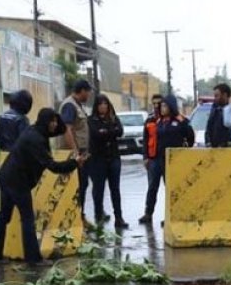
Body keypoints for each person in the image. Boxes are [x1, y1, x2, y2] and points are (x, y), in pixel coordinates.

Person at [0, 108, 85, 264]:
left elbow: (60, 129)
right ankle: (33, 259)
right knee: (27, 218)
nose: (55, 124)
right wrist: (74, 163)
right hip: (17, 181)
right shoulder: (36, 140)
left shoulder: (36, 131)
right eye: (52, 121)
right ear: (46, 122)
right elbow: (53, 166)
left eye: (55, 120)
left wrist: (59, 120)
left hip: (7, 176)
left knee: (4, 215)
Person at [144, 95, 195, 227]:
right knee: (152, 186)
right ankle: (148, 213)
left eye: (165, 106)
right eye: (161, 106)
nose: (162, 108)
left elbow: (190, 137)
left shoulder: (181, 121)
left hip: (174, 159)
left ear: (171, 107)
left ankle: (173, 215)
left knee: (172, 189)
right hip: (159, 158)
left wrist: (185, 150)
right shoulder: (160, 121)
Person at [86, 94, 128, 229]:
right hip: (98, 159)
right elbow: (96, 134)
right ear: (96, 106)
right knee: (98, 189)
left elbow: (119, 131)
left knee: (115, 189)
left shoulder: (114, 118)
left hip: (114, 158)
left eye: (105, 104)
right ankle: (98, 215)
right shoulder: (91, 120)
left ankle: (119, 218)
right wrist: (110, 131)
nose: (103, 106)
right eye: (100, 104)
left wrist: (107, 131)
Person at [59, 79, 93, 211]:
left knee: (82, 184)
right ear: (82, 91)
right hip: (75, 153)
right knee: (78, 184)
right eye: (88, 92)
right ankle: (76, 216)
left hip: (82, 152)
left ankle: (80, 214)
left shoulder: (77, 105)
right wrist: (75, 152)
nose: (89, 95)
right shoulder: (70, 106)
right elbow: (67, 129)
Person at [138, 94, 164, 226]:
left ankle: (169, 216)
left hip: (166, 158)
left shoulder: (168, 119)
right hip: (153, 159)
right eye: (154, 103)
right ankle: (148, 213)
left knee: (169, 188)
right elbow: (145, 140)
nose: (156, 106)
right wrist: (145, 157)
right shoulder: (149, 120)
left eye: (159, 103)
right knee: (152, 187)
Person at [205, 83, 231, 148]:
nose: (215, 98)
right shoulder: (214, 108)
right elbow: (209, 126)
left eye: (217, 96)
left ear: (225, 95)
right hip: (213, 150)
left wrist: (226, 143)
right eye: (214, 96)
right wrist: (208, 142)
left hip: (228, 150)